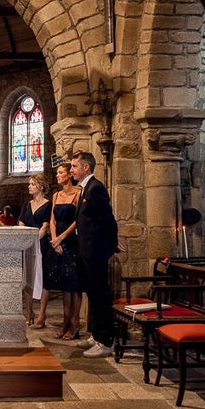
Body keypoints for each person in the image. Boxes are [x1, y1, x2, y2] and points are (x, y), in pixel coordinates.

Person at [70, 151, 118, 358]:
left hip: (96, 251)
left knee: (100, 296)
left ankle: (106, 341)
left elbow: (107, 221)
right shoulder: (85, 188)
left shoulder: (96, 189)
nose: (71, 170)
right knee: (93, 294)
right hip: (87, 250)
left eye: (74, 166)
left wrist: (111, 246)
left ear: (85, 167)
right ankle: (97, 335)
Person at [45, 163, 81, 340]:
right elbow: (52, 219)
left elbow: (78, 220)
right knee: (64, 286)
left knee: (74, 284)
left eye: (60, 172)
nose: (57, 175)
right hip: (56, 242)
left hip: (71, 241)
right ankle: (65, 321)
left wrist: (62, 238)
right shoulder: (56, 195)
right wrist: (54, 239)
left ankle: (75, 323)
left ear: (69, 175)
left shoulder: (78, 193)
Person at [18, 174, 51, 327]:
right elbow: (21, 222)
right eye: (29, 184)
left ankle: (42, 314)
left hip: (41, 244)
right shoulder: (26, 204)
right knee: (28, 277)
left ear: (41, 186)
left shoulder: (48, 204)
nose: (29, 186)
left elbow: (45, 226)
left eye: (32, 184)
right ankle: (29, 311)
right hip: (27, 244)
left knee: (42, 277)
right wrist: (22, 238)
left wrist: (35, 240)